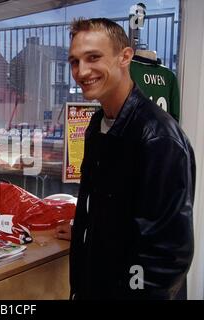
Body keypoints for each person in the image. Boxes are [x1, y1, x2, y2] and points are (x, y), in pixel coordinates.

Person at [64, 18, 195, 299]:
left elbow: (168, 256)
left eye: (93, 57)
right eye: (75, 61)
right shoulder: (98, 123)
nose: (82, 71)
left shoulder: (157, 136)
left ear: (125, 57)